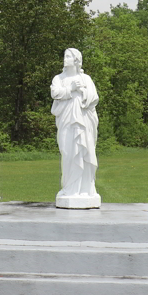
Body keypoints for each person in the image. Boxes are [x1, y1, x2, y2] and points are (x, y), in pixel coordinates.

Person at [50, 48, 99, 201]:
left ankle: (85, 189)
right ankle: (69, 188)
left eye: (69, 56)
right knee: (68, 152)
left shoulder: (86, 79)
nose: (65, 59)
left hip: (83, 121)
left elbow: (94, 97)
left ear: (76, 60)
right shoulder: (59, 78)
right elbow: (55, 93)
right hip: (66, 120)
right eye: (65, 56)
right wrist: (71, 88)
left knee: (85, 152)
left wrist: (83, 91)